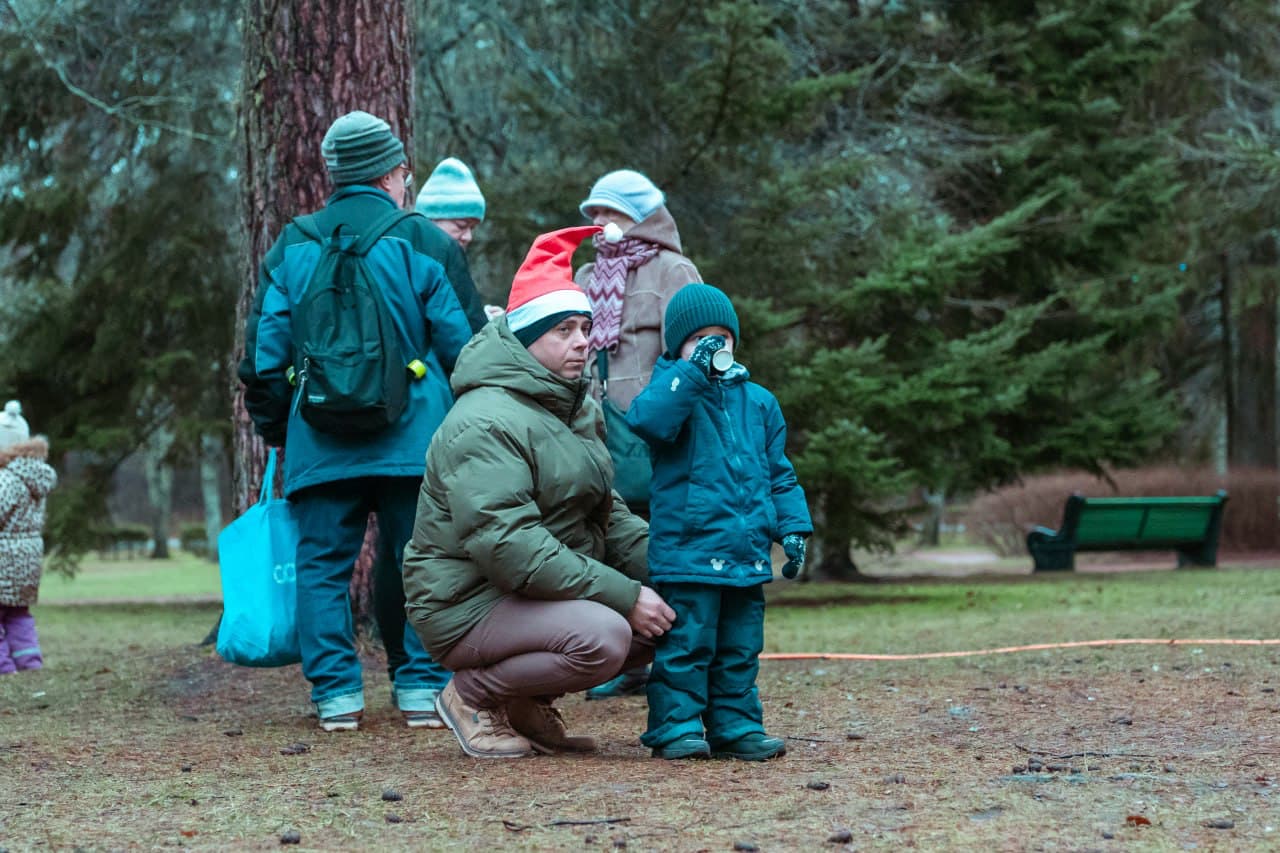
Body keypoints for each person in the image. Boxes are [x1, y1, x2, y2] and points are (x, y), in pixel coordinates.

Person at [238, 110, 480, 732]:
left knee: (321, 566)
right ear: (393, 173)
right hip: (415, 440)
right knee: (418, 560)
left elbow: (263, 363)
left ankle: (338, 696)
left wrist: (280, 431)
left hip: (320, 440)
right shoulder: (424, 241)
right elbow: (467, 352)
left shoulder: (293, 244)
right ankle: (422, 687)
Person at [402, 225, 675, 759]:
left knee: (669, 612)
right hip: (466, 602)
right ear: (526, 340)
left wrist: (675, 564)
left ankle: (525, 704)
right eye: (564, 331)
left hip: (527, 592)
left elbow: (606, 516)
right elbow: (511, 546)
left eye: (585, 328)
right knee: (606, 634)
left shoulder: (571, 407)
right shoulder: (483, 421)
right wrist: (624, 594)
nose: (582, 342)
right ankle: (470, 696)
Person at [625, 284, 813, 761]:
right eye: (700, 339)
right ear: (677, 348)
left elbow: (779, 474)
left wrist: (792, 528)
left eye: (722, 338)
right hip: (688, 553)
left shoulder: (759, 403)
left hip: (746, 553)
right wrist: (691, 372)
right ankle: (677, 726)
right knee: (687, 644)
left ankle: (736, 724)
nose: (714, 347)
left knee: (739, 647)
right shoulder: (672, 392)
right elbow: (647, 421)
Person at [574, 168, 703, 700]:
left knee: (663, 544)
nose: (599, 223)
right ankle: (621, 663)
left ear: (640, 216)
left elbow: (699, 358)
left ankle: (672, 662)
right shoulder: (583, 278)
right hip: (593, 434)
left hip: (656, 437)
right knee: (604, 542)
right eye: (594, 214)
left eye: (609, 212)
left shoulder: (675, 271)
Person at [0, 401, 56, 675]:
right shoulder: (35, 478)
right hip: (28, 559)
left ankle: (3, 666)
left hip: (3, 557)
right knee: (18, 614)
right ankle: (29, 662)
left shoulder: (5, 479)